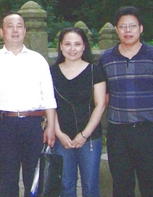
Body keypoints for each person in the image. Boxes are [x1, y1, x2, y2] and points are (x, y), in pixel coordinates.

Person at [99, 6, 153, 196]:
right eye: (123, 26)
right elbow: (104, 94)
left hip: (148, 131)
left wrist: (151, 111)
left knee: (150, 186)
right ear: (117, 30)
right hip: (118, 132)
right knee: (121, 186)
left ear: (141, 28)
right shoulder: (106, 58)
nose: (128, 30)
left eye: (132, 26)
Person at [0, 12, 57, 197]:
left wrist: (51, 127)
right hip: (4, 125)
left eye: (19, 26)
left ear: (25, 30)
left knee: (34, 181)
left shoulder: (38, 60)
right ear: (1, 31)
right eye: (10, 26)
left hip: (33, 125)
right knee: (8, 181)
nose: (15, 30)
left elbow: (48, 97)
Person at [51, 27, 106, 197]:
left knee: (90, 186)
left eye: (77, 44)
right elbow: (50, 106)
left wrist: (84, 135)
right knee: (66, 186)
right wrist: (59, 133)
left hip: (90, 138)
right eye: (67, 44)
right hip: (62, 137)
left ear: (84, 46)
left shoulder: (95, 71)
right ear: (61, 46)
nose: (72, 48)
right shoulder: (51, 72)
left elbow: (100, 105)